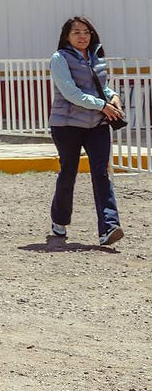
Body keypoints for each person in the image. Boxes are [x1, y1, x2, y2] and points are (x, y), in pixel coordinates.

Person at [48, 16, 125, 247]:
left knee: (102, 173)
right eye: (76, 32)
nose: (82, 36)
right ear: (66, 37)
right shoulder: (59, 58)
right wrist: (103, 105)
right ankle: (59, 221)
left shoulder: (96, 56)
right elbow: (71, 93)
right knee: (68, 173)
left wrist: (113, 97)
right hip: (67, 125)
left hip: (97, 124)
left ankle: (109, 228)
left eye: (86, 32)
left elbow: (100, 86)